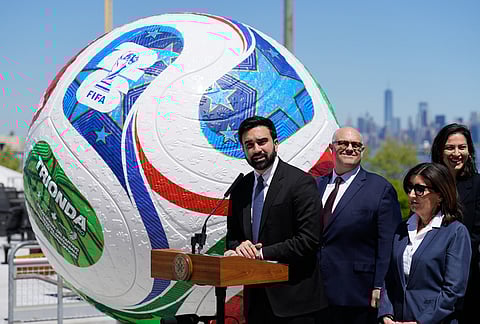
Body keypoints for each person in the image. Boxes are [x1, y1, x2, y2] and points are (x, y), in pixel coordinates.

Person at [225, 116, 327, 324]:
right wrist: (239, 248)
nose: (257, 149)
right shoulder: (241, 188)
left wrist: (260, 253)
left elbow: (308, 240)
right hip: (255, 303)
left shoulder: (300, 183)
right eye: (249, 145)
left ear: (276, 144)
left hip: (296, 304)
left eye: (262, 142)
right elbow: (233, 237)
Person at [316, 127, 402, 324]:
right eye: (343, 144)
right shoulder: (316, 185)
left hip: (358, 293)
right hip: (317, 292)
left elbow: (388, 243)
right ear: (331, 148)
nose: (350, 148)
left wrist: (380, 286)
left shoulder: (380, 188)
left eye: (356, 145)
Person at [378, 162, 472, 323]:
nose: (412, 195)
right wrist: (386, 313)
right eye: (410, 188)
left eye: (419, 189)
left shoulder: (456, 232)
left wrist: (421, 322)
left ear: (440, 195)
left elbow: (453, 291)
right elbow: (389, 278)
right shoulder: (402, 228)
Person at [431, 123, 480, 323]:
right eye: (450, 147)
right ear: (439, 151)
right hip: (430, 271)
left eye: (462, 147)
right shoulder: (428, 183)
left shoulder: (477, 184)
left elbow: (476, 234)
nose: (456, 153)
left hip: (467, 275)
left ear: (469, 150)